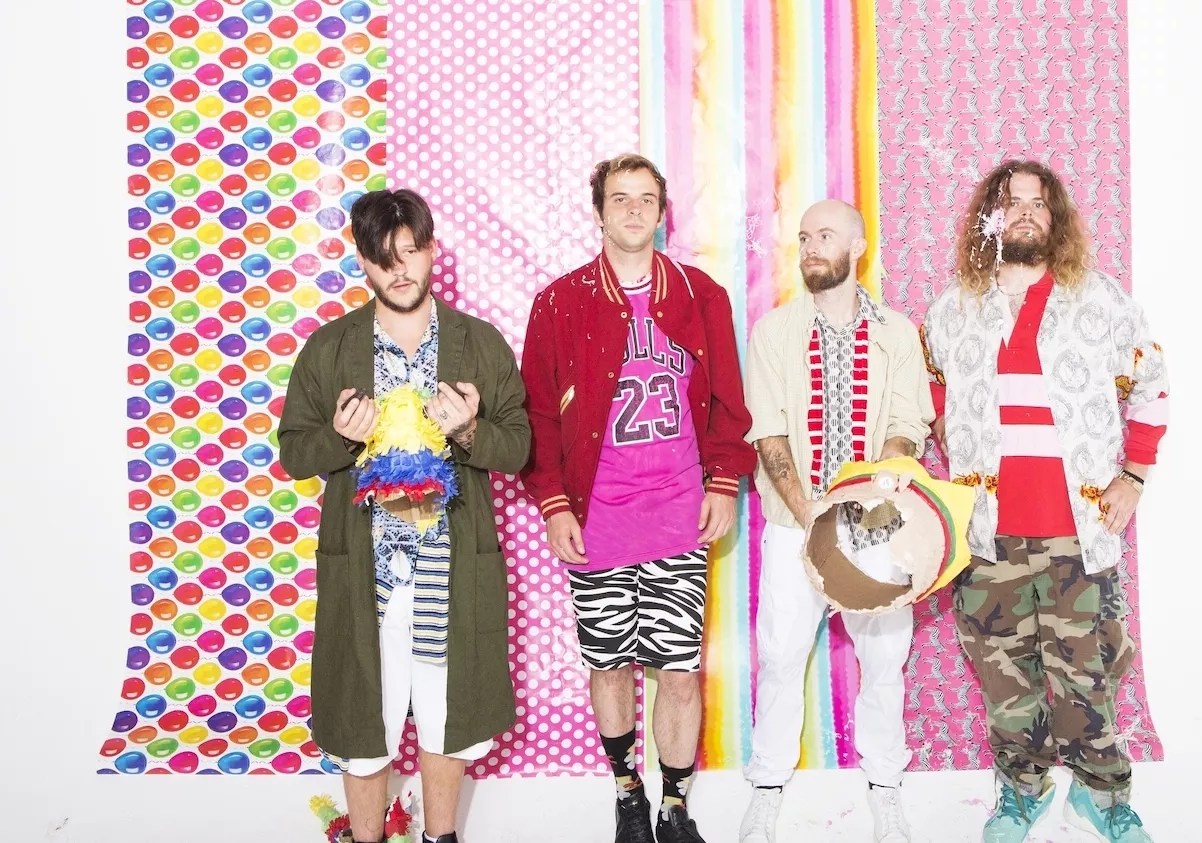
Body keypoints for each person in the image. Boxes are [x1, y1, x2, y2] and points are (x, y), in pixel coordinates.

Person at [920, 160, 1168, 843]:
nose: (1025, 212)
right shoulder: (954, 309)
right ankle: (1021, 791)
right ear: (990, 218)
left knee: (1087, 677)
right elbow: (928, 384)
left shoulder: (1099, 300)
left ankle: (1101, 797)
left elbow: (1151, 381)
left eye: (1038, 202)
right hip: (987, 534)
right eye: (1012, 202)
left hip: (1077, 531)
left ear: (1053, 217)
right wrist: (947, 431)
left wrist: (1134, 475)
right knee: (1005, 679)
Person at [279, 189, 530, 843]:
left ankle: (440, 837)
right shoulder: (330, 348)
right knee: (365, 715)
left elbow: (520, 446)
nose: (399, 270)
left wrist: (470, 429)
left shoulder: (479, 343)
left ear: (432, 251)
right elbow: (293, 452)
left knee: (450, 715)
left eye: (411, 252)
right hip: (367, 569)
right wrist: (339, 437)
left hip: (452, 560)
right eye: (383, 257)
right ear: (362, 262)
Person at [519, 153, 755, 843]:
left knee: (678, 672)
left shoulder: (701, 296)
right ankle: (627, 795)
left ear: (660, 212)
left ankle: (674, 806)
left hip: (679, 516)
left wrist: (722, 481)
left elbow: (728, 404)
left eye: (644, 198)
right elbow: (537, 415)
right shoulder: (559, 302)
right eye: (618, 198)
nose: (631, 209)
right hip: (598, 521)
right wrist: (554, 503)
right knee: (609, 665)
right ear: (598, 212)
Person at [738, 200, 934, 843]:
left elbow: (908, 422)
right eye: (802, 238)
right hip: (795, 525)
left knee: (885, 657)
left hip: (878, 526)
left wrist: (877, 488)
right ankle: (767, 786)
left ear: (858, 245)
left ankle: (886, 786)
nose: (810, 247)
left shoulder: (897, 334)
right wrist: (812, 516)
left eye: (825, 235)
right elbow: (768, 433)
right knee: (779, 655)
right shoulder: (773, 333)